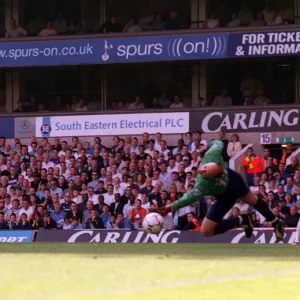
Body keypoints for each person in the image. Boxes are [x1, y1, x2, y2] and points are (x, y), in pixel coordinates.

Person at [151, 140, 285, 242]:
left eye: (204, 171)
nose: (202, 170)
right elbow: (218, 142)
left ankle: (274, 221)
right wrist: (207, 146)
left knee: (253, 201)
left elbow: (188, 199)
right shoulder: (212, 154)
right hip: (230, 183)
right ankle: (243, 220)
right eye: (204, 168)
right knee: (206, 231)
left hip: (230, 189)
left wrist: (169, 208)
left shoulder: (203, 184)